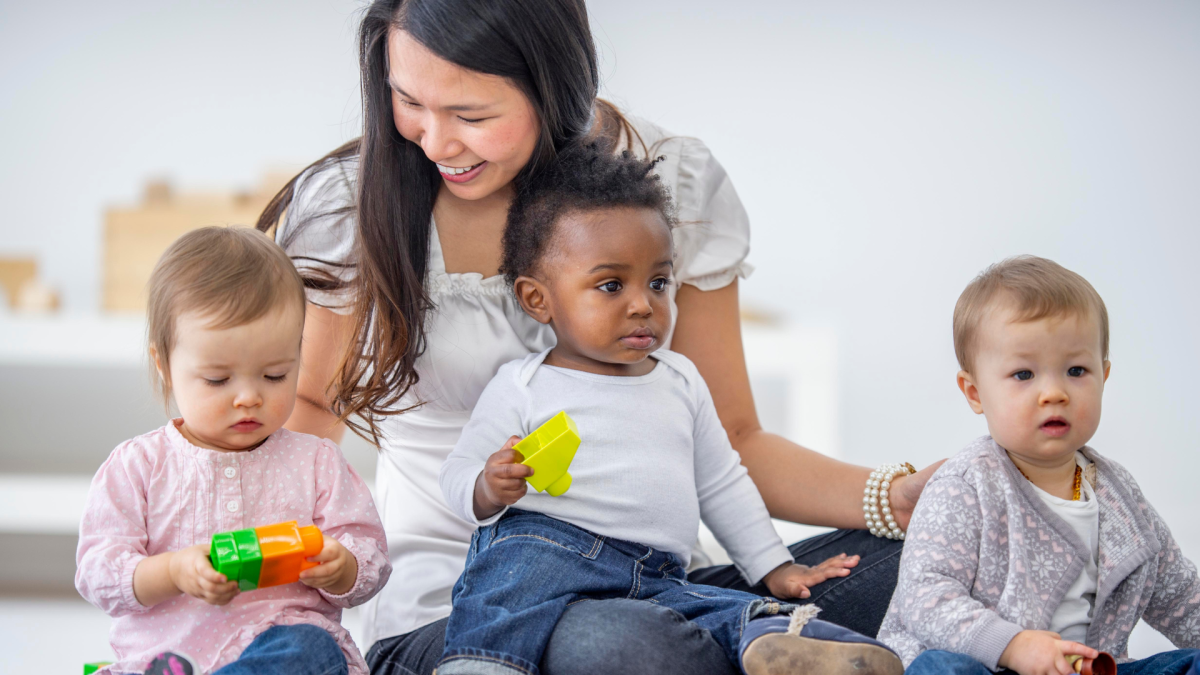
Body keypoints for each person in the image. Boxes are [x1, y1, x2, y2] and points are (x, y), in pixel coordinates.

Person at [258, 1, 941, 672]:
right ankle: (743, 641)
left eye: (471, 115)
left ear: (553, 84)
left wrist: (893, 496)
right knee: (606, 639)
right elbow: (309, 415)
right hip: (466, 608)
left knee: (935, 554)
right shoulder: (352, 204)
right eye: (408, 101)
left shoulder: (662, 180)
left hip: (659, 585)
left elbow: (730, 442)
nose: (435, 142)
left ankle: (743, 633)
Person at [436, 143, 905, 675]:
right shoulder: (522, 385)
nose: (643, 304)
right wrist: (486, 486)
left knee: (710, 608)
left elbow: (723, 484)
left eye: (659, 282)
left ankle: (778, 636)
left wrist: (774, 566)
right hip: (547, 554)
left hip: (656, 574)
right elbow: (455, 477)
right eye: (611, 285)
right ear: (538, 299)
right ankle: (480, 665)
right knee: (503, 591)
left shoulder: (680, 380)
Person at [75, 227, 391, 675]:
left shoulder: (316, 463)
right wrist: (172, 572)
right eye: (219, 380)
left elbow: (371, 558)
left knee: (314, 650)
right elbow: (97, 574)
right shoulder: (137, 467)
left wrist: (343, 567)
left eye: (276, 375)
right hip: (166, 660)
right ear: (165, 365)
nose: (248, 397)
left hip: (280, 643)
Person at [877, 256, 1200, 675]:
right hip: (991, 666)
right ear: (975, 393)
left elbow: (1180, 595)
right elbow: (925, 596)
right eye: (1024, 374)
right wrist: (1011, 646)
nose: (1054, 392)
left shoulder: (1120, 495)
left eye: (1076, 370)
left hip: (1095, 668)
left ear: (1104, 376)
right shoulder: (967, 484)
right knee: (940, 667)